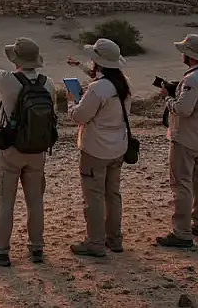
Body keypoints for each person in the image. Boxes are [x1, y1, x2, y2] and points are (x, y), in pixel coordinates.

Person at [0, 37, 58, 267]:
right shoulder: (48, 84)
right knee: (35, 201)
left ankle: (0, 251)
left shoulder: (7, 79)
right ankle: (37, 248)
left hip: (11, 150)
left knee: (5, 203)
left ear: (16, 59)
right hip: (38, 150)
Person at [155, 34, 198, 248]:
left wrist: (168, 98)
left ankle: (182, 232)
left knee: (181, 184)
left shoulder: (192, 80)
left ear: (190, 56)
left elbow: (183, 109)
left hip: (185, 138)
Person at [65, 38, 130, 257]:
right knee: (113, 195)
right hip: (118, 146)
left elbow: (80, 116)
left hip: (96, 149)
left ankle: (95, 242)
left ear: (98, 62)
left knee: (94, 197)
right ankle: (114, 239)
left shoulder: (97, 88)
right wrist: (80, 66)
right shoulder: (123, 84)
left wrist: (71, 102)